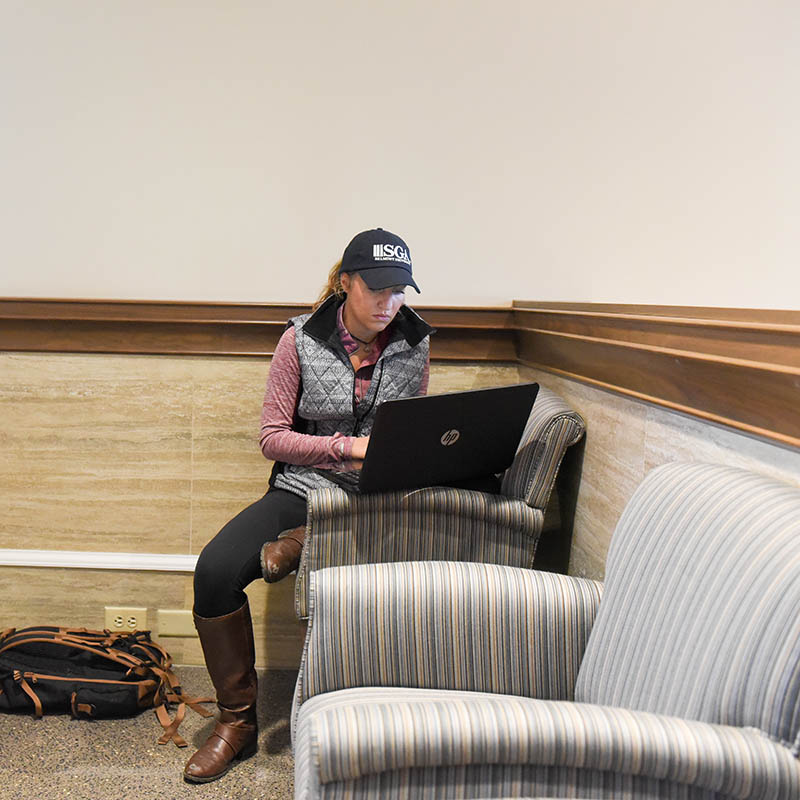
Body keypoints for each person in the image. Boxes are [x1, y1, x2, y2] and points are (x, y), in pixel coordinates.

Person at [183, 228, 433, 783]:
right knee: (214, 572)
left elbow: (412, 427)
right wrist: (344, 447)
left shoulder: (416, 342)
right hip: (302, 488)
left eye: (400, 293)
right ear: (345, 282)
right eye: (376, 291)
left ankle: (303, 542)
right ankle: (238, 724)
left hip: (377, 499)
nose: (389, 305)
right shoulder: (297, 340)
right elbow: (272, 437)